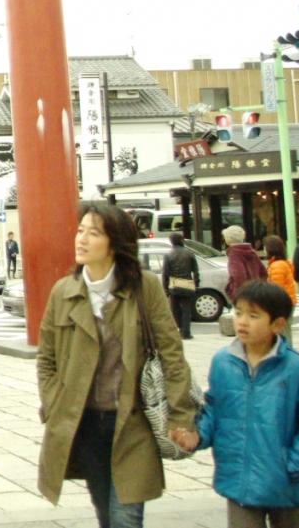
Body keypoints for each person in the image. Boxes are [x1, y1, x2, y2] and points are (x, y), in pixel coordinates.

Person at [37, 202, 196, 528]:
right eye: (80, 231)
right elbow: (46, 358)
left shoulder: (144, 286)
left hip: (132, 422)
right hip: (85, 423)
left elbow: (172, 353)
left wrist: (181, 415)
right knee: (106, 514)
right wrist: (54, 402)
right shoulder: (64, 291)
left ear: (115, 242)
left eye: (93, 233)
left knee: (125, 519)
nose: (81, 239)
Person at [172, 281, 299, 528]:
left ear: (277, 324)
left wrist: (294, 465)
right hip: (239, 480)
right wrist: (197, 435)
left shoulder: (296, 368)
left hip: (286, 484)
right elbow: (214, 408)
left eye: (253, 316)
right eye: (238, 312)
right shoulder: (223, 362)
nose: (242, 322)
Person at [162, 231, 201, 340]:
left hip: (174, 284)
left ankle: (179, 329)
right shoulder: (189, 253)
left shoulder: (168, 255)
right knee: (186, 310)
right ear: (182, 240)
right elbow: (196, 271)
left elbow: (165, 273)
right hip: (187, 284)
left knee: (175, 309)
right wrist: (196, 283)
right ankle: (186, 332)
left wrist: (165, 288)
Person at [265, 236, 298, 348]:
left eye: (265, 247)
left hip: (282, 303)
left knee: (283, 332)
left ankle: (286, 353)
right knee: (285, 330)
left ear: (270, 248)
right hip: (288, 301)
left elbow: (276, 289)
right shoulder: (283, 263)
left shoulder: (277, 265)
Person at [225, 226, 268, 300]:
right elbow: (263, 273)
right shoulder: (251, 252)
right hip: (256, 292)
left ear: (227, 238)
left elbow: (238, 276)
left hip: (243, 296)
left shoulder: (234, 253)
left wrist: (234, 293)